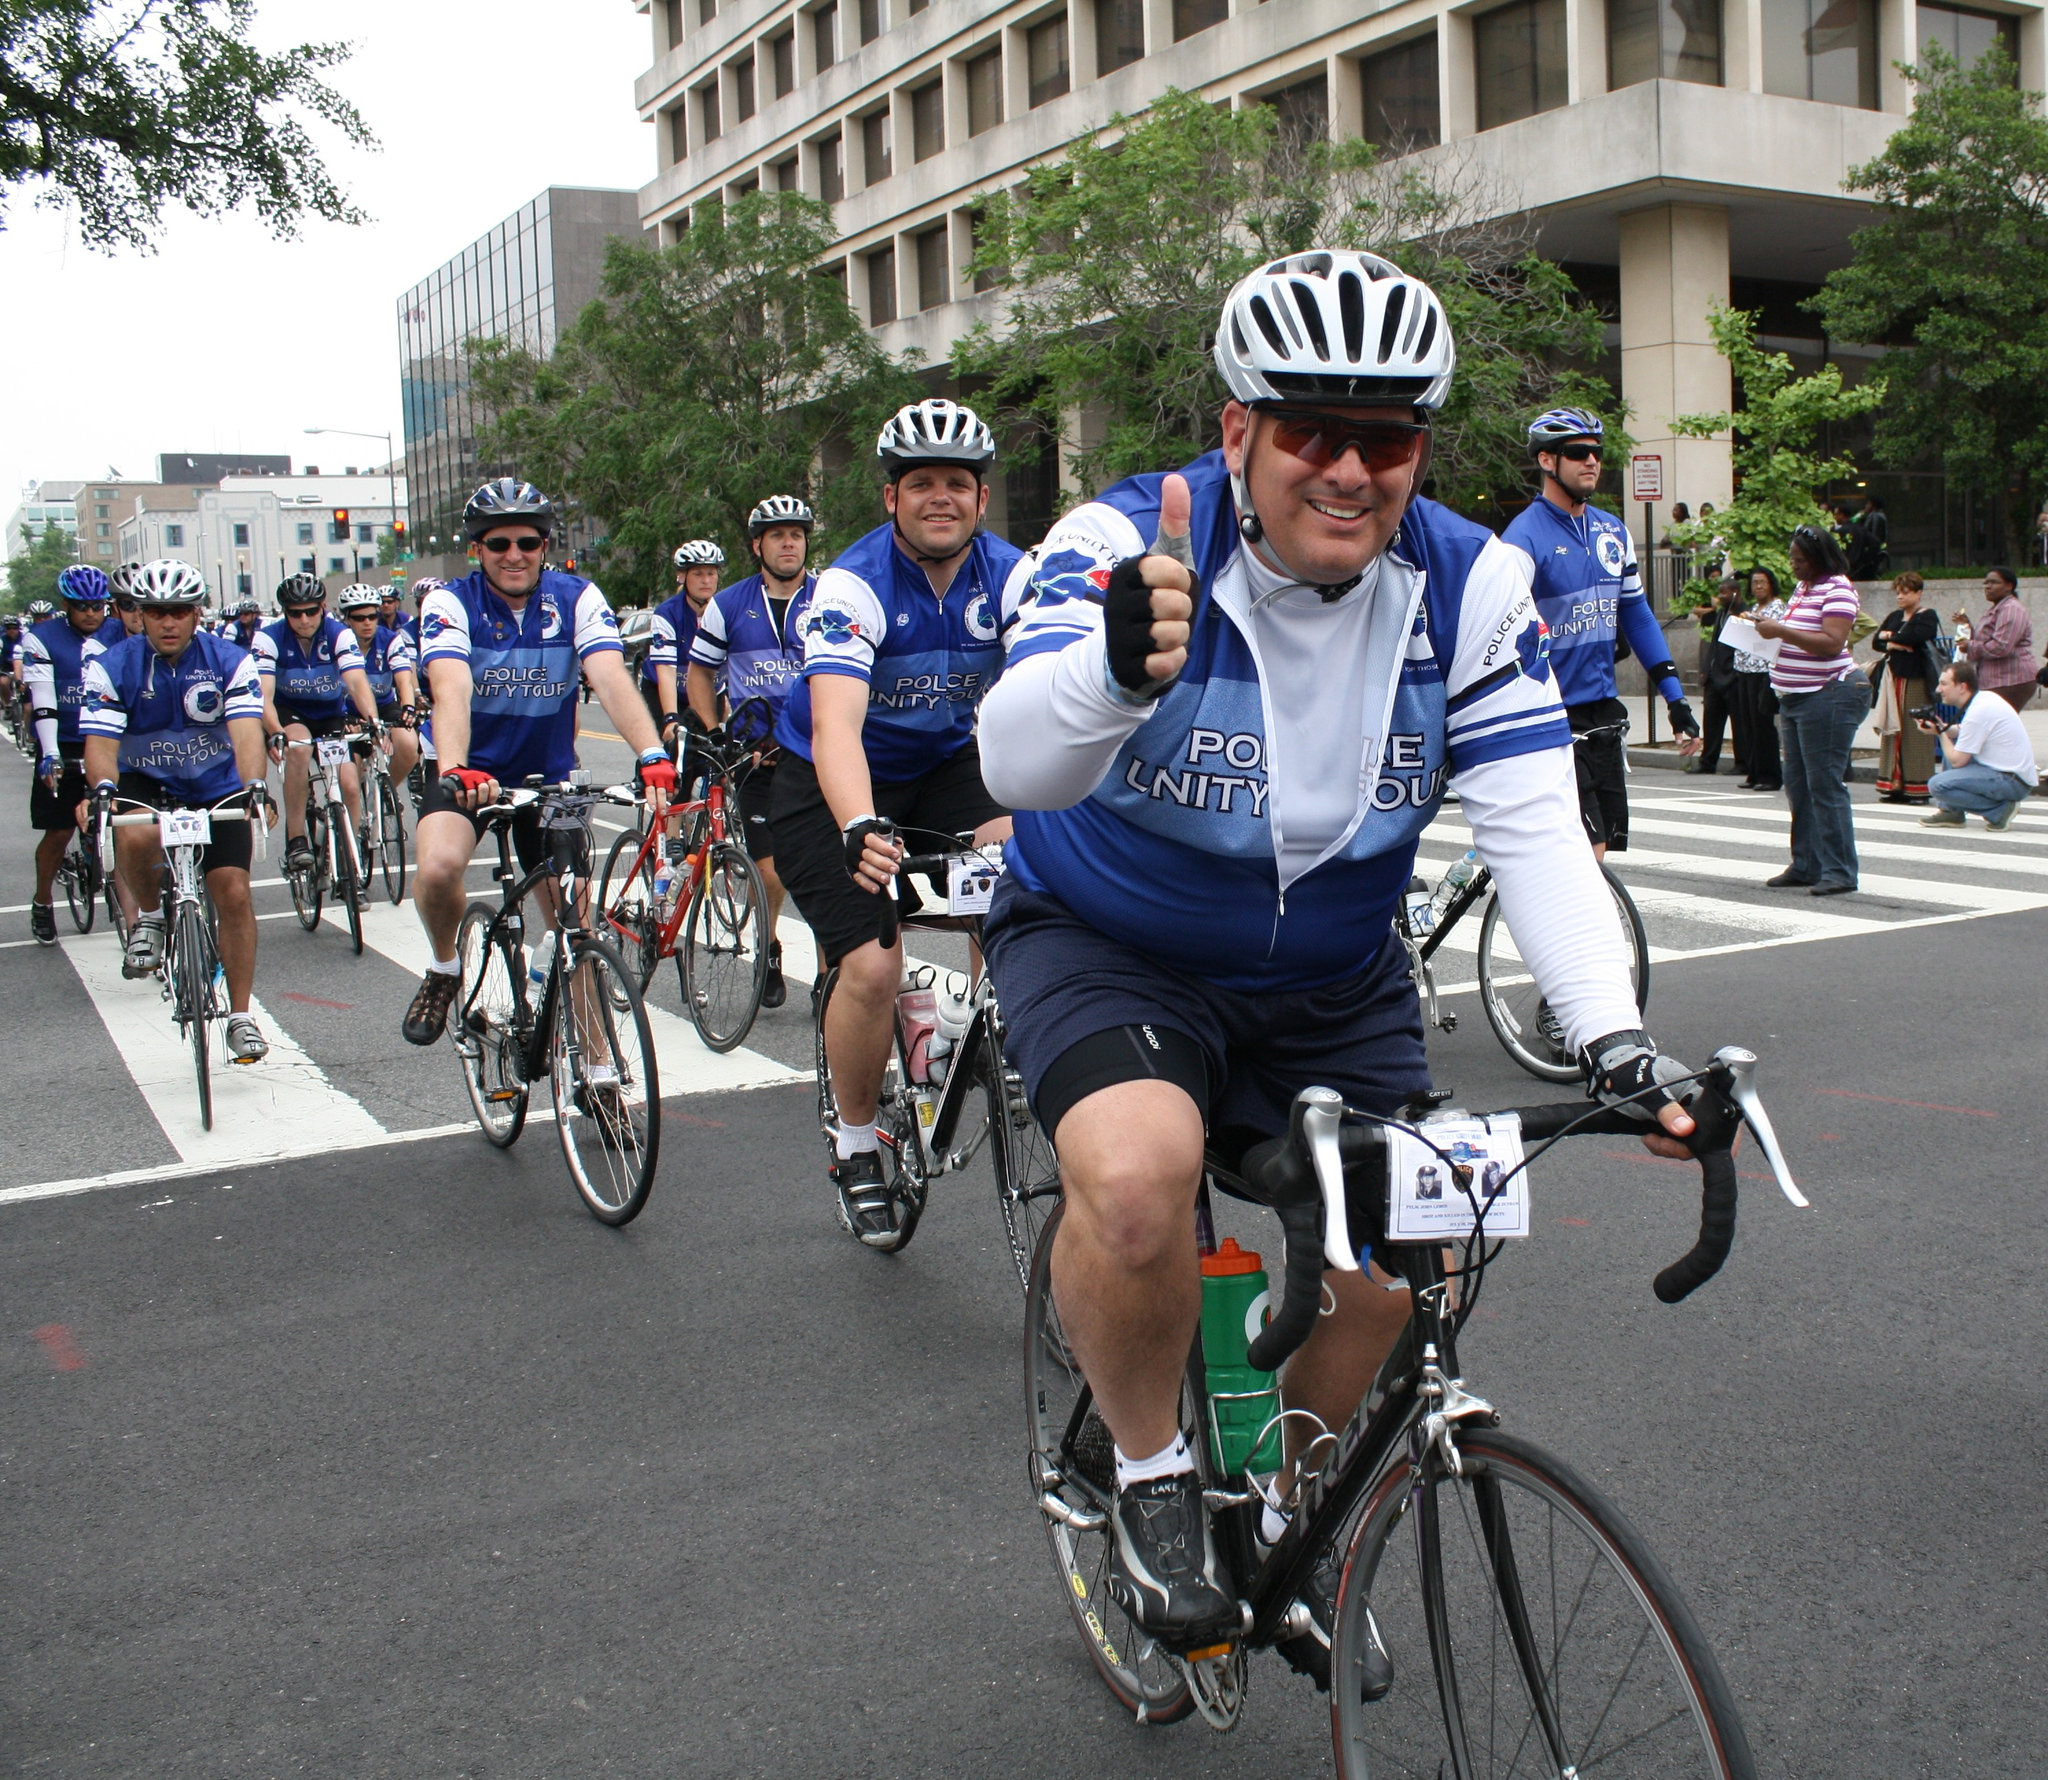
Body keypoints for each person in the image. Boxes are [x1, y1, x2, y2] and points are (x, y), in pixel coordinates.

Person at [976, 250, 1699, 1668]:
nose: (1352, 471)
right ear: (1239, 429)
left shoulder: (1470, 580)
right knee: (1134, 1181)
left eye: (1390, 438)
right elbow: (1016, 758)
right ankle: (1148, 1474)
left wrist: (1616, 1040)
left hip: (1331, 976)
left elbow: (1538, 828)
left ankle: (1277, 1502)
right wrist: (1114, 674)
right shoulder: (1119, 545)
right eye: (1312, 430)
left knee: (1408, 1258)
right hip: (1115, 942)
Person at [768, 398, 1024, 1244]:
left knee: (1024, 872)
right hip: (830, 777)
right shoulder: (851, 584)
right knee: (875, 966)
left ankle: (995, 1031)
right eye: (921, 483)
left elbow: (1060, 688)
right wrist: (859, 823)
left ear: (983, 499)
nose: (940, 497)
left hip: (946, 764)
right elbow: (837, 723)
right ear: (891, 498)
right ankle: (853, 1142)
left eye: (958, 483)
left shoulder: (1013, 575)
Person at [400, 479, 676, 1046]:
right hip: (472, 776)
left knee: (577, 933)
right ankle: (446, 968)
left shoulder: (577, 598)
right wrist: (454, 769)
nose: (514, 555)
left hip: (548, 782)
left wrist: (650, 752)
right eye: (497, 543)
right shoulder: (452, 603)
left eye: (527, 541)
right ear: (476, 549)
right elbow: (450, 688)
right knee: (436, 870)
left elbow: (608, 675)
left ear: (545, 544)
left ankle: (600, 1076)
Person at [76, 560, 276, 1061]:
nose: (168, 623)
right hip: (149, 780)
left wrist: (254, 786)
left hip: (216, 784)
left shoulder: (231, 660)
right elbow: (100, 742)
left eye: (180, 612)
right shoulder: (112, 665)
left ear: (196, 613)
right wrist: (101, 788)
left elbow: (247, 732)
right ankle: (149, 915)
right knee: (137, 834)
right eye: (156, 612)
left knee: (232, 891)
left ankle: (241, 1015)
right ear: (139, 615)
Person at [1502, 408, 1700, 858]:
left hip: (1603, 714)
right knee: (1587, 852)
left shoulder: (1612, 530)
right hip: (1554, 715)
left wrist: (1676, 699)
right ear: (1548, 461)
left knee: (1602, 848)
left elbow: (1638, 616)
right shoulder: (1522, 539)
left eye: (1597, 452)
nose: (1591, 461)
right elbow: (1506, 632)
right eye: (1578, 453)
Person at [685, 495, 820, 1010]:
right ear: (757, 546)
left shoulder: (830, 596)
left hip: (816, 754)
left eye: (797, 534)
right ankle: (768, 947)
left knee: (830, 871)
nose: (789, 542)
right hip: (757, 757)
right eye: (777, 535)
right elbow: (700, 672)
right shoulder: (729, 604)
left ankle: (829, 983)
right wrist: (715, 727)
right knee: (769, 871)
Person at [1754, 525, 1869, 894]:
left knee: (1824, 784)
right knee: (1798, 785)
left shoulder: (1838, 588)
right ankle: (1806, 863)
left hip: (1829, 694)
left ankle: (1840, 871)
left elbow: (1832, 644)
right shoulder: (1805, 588)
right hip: (1795, 697)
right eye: (1791, 559)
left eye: (1800, 560)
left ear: (1819, 559)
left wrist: (1781, 632)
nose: (1793, 566)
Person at [20, 565, 123, 944]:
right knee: (60, 828)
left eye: (98, 606)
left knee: (129, 818)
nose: (92, 614)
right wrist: (49, 754)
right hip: (63, 739)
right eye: (82, 607)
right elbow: (44, 701)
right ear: (67, 605)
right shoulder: (41, 638)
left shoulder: (116, 631)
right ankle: (43, 900)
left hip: (107, 735)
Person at [251, 576, 382, 872]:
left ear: (323, 607)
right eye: (295, 613)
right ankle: (296, 837)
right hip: (290, 713)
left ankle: (351, 851)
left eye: (311, 611)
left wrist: (373, 721)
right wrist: (275, 733)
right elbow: (264, 696)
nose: (304, 619)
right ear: (284, 612)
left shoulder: (339, 634)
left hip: (329, 713)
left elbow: (357, 683)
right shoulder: (268, 638)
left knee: (349, 783)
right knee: (298, 749)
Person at [1918, 659, 2038, 830]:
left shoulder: (1978, 711)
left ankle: (1999, 811)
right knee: (1954, 748)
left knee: (1937, 785)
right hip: (2011, 774)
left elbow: (1957, 761)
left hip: (2011, 781)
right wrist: (1941, 727)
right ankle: (1951, 812)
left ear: (1962, 687)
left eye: (1944, 684)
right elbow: (1966, 731)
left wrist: (1941, 733)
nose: (1938, 690)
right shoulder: (1984, 699)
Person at [337, 584, 421, 789]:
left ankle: (387, 790)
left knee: (410, 747)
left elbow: (404, 680)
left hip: (383, 704)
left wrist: (408, 707)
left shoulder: (391, 639)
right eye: (359, 618)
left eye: (372, 616)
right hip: (346, 710)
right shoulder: (337, 641)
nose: (367, 623)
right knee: (352, 777)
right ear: (347, 619)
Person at [1869, 570, 1941, 804]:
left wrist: (1892, 639)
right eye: (1898, 592)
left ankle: (1917, 787)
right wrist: (1896, 641)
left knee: (1915, 730)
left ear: (1918, 593)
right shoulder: (1894, 615)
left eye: (1905, 592)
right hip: (1894, 677)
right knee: (1893, 728)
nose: (1900, 597)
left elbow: (1917, 636)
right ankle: (1893, 785)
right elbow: (1876, 641)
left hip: (1917, 679)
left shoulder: (1927, 615)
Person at [644, 542, 724, 748]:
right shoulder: (667, 613)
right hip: (666, 688)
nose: (706, 580)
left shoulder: (727, 610)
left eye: (711, 573)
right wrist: (671, 718)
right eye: (698, 574)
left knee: (716, 747)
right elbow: (666, 670)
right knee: (672, 747)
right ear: (683, 577)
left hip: (706, 687)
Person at [1957, 567, 2036, 713]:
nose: (1988, 586)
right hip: (1995, 680)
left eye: (1994, 582)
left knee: (1997, 726)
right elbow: (1986, 640)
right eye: (1985, 583)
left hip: (2010, 680)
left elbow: (2000, 647)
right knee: (1996, 728)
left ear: (2009, 586)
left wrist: (1970, 646)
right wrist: (1967, 628)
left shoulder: (2011, 609)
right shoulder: (1998, 608)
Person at [1690, 576, 1744, 777]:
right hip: (1714, 677)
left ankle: (1742, 762)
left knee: (1739, 724)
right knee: (1711, 722)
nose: (1720, 597)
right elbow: (1713, 646)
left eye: (1724, 593)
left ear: (1735, 593)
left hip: (1733, 676)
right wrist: (1706, 670)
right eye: (1719, 593)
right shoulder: (1721, 614)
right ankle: (1708, 761)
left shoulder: (1742, 614)